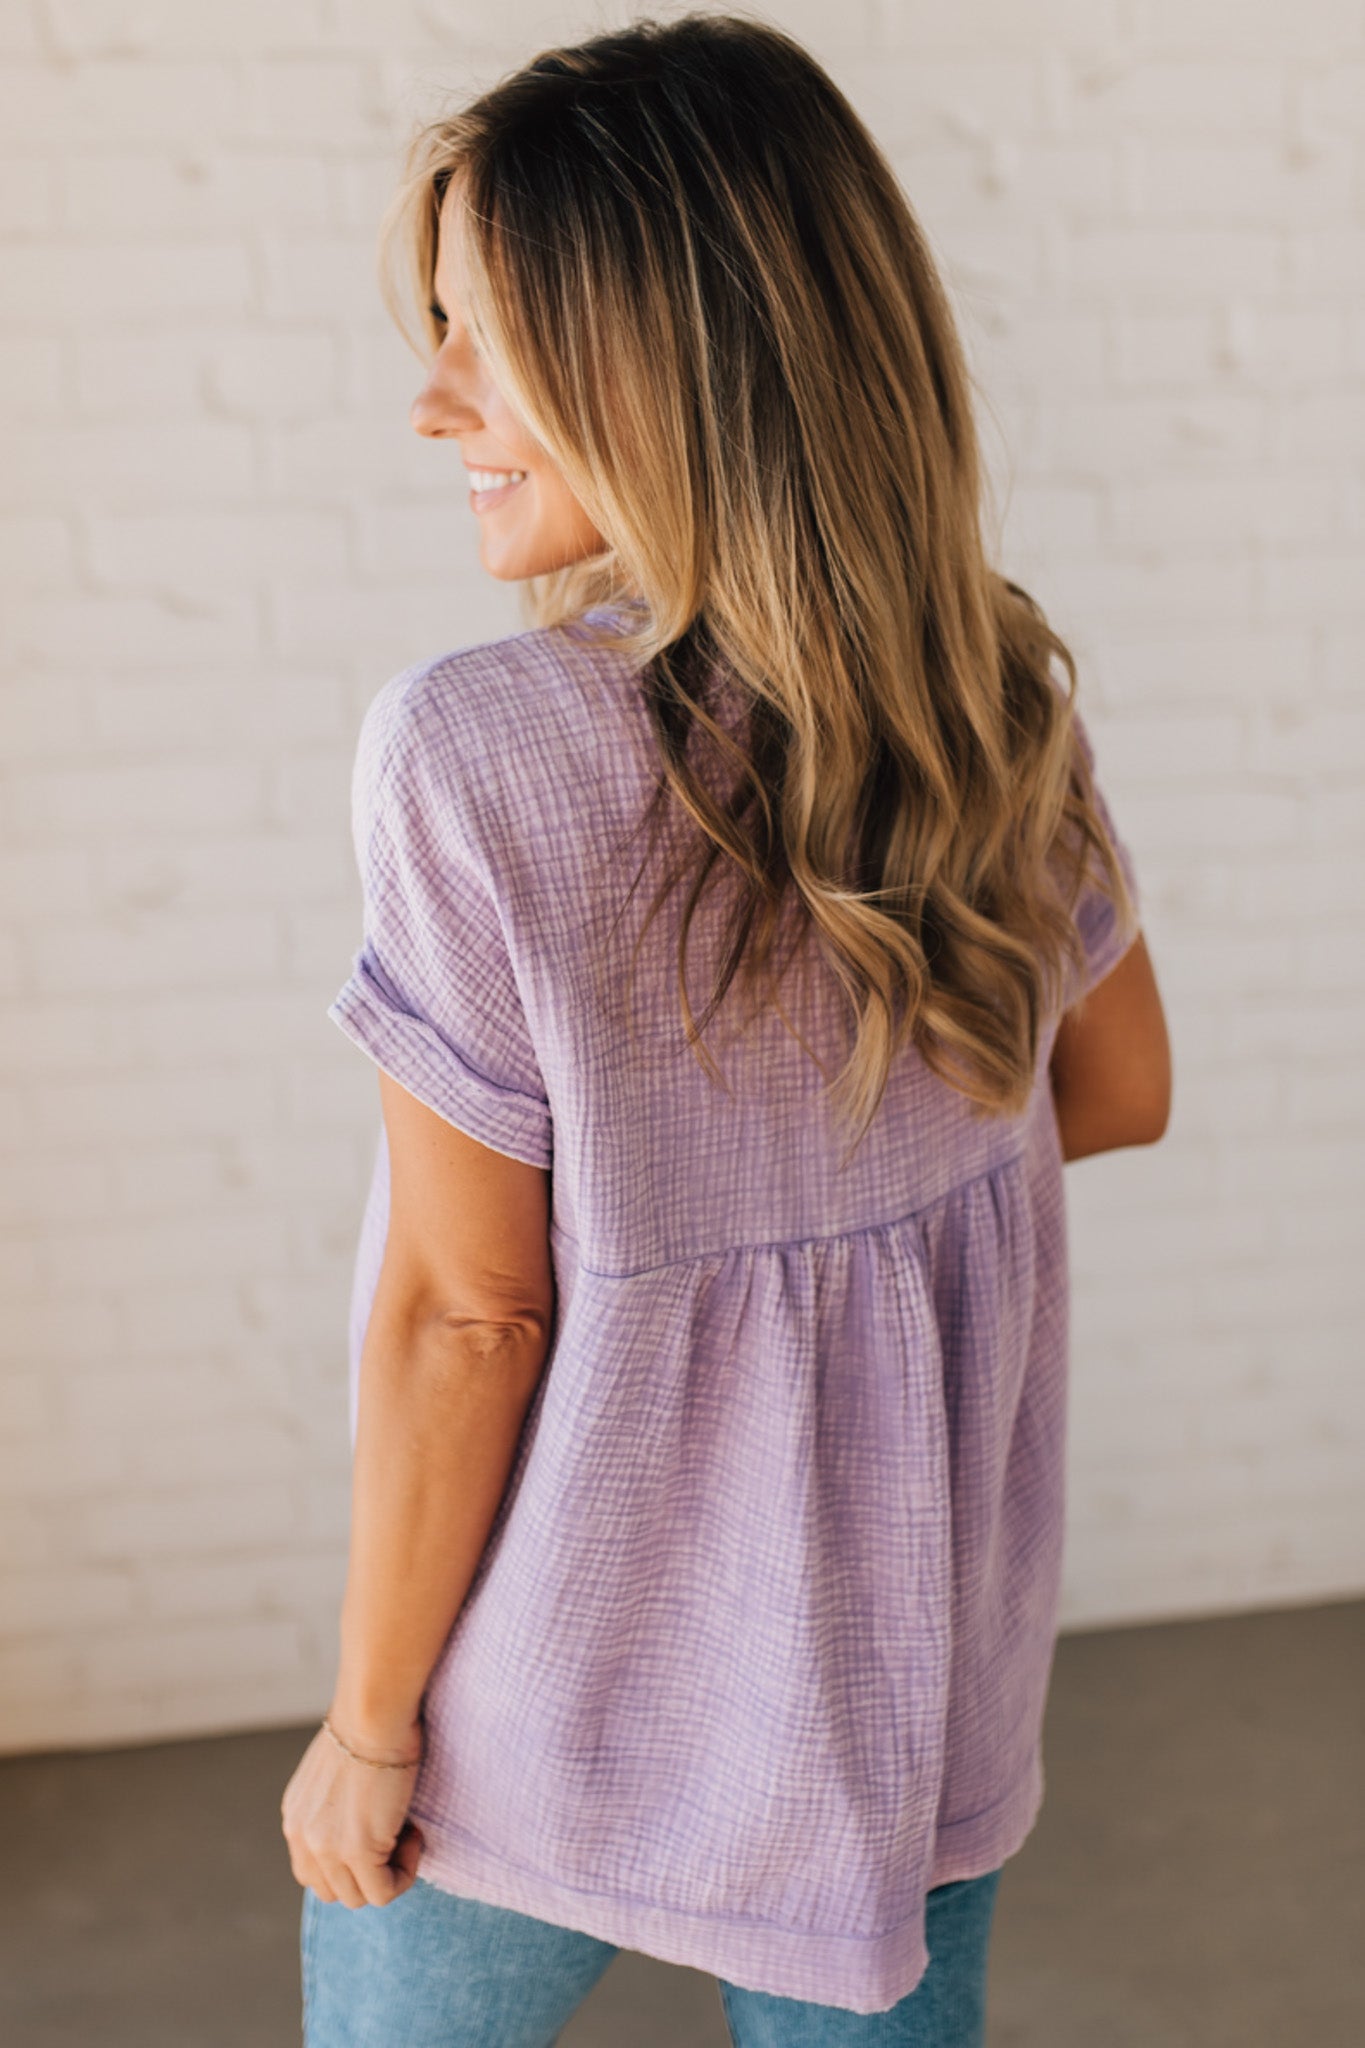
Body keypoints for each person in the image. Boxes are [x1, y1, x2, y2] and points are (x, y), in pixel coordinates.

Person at [280, 12, 1173, 2045]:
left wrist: (363, 1724)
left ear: (676, 365)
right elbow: (1114, 1092)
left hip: (548, 1669)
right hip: (897, 1672)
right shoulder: (992, 690)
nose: (433, 403)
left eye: (486, 335)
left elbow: (468, 1317)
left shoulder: (476, 748)